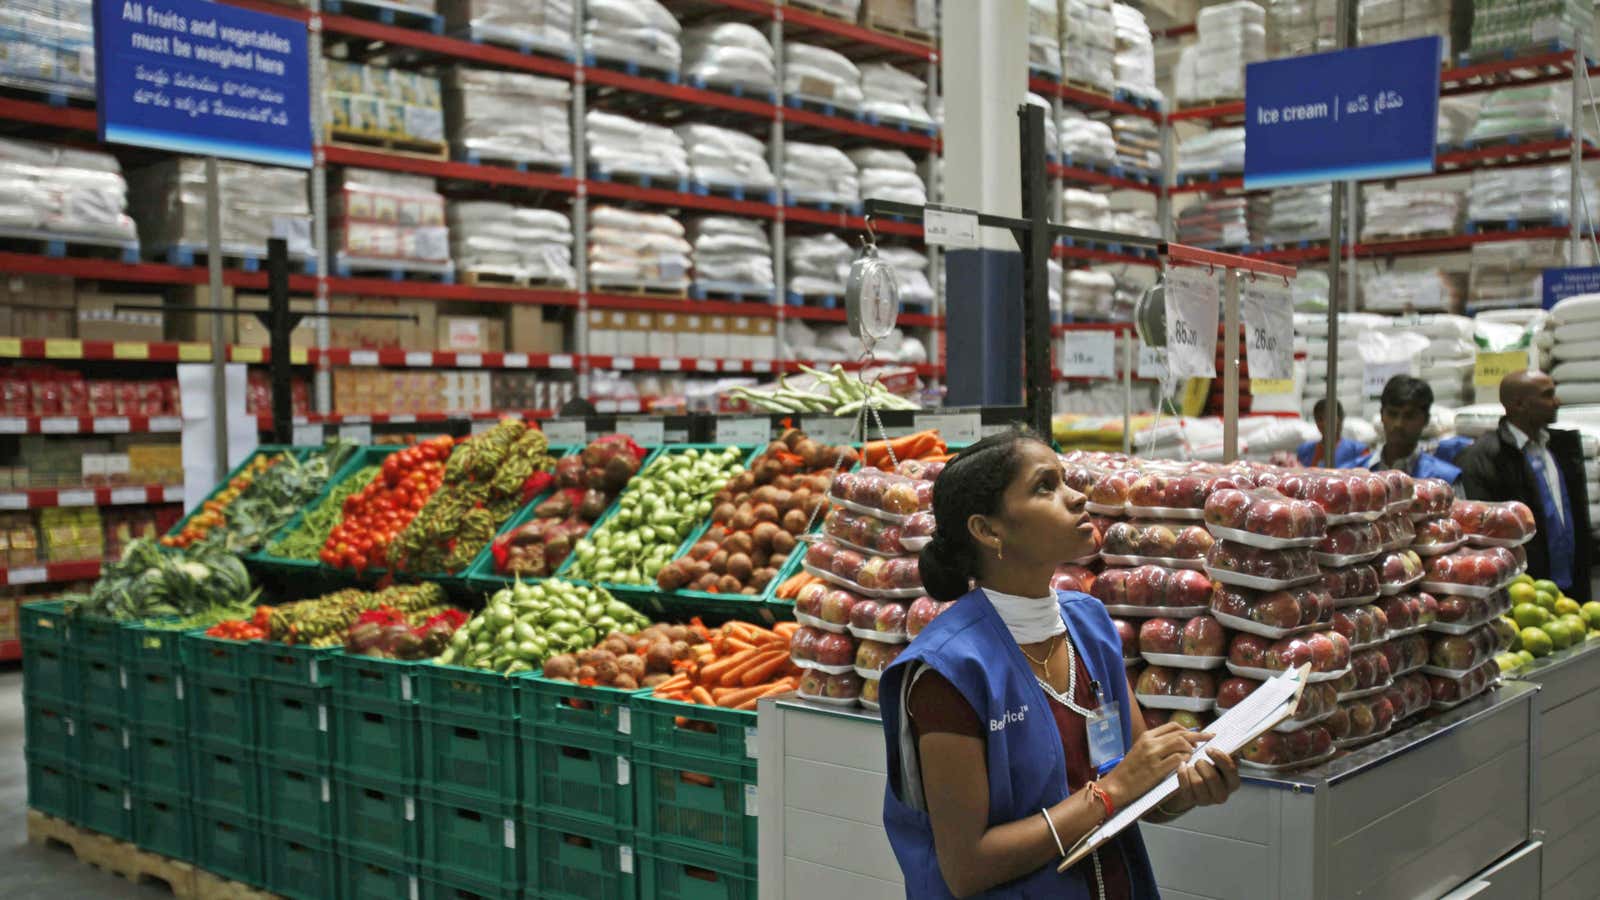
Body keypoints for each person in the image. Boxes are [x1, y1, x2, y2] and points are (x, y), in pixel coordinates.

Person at [879, 429, 1241, 898]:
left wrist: (1185, 791)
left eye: (1065, 479)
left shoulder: (1089, 624)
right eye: (1045, 486)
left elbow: (1137, 791)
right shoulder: (948, 672)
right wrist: (1112, 792)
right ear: (988, 530)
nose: (1076, 497)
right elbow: (967, 867)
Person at [1456, 370, 1592, 601]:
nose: (1557, 402)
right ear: (1518, 404)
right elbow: (1483, 532)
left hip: (1573, 583)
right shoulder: (1484, 457)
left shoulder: (1561, 447)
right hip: (1524, 590)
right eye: (1547, 395)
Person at [1355, 375, 1461, 483]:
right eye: (1392, 414)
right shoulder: (1354, 474)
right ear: (1382, 415)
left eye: (1409, 416)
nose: (1398, 424)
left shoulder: (1445, 479)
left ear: (1426, 420)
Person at [1297, 398, 1367, 467]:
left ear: (1341, 419)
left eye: (1329, 418)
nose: (1324, 423)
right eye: (1319, 419)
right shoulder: (1305, 451)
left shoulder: (1358, 451)